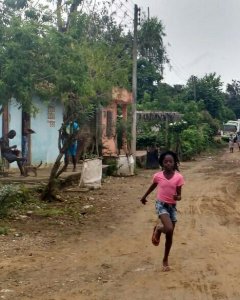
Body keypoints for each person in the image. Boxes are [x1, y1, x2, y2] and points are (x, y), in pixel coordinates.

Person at [140, 150, 184, 271]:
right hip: (161, 205)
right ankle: (159, 229)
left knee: (169, 235)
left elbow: (180, 196)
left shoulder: (178, 177)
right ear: (162, 163)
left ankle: (165, 259)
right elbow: (152, 187)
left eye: (171, 161)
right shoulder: (158, 176)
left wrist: (177, 197)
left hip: (172, 207)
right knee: (168, 228)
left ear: (174, 163)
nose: (168, 163)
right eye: (166, 162)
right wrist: (144, 197)